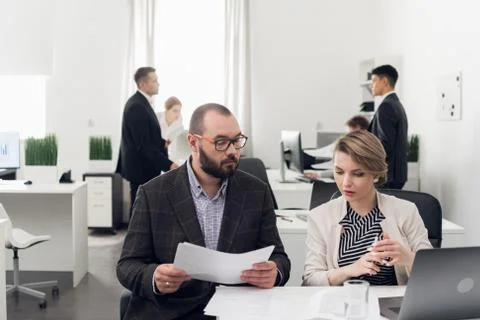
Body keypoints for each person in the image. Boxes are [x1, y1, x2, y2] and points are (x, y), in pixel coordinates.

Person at [116, 103, 291, 320]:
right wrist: (154, 277)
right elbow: (127, 265)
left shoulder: (256, 191)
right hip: (171, 312)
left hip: (236, 310)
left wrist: (275, 272)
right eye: (220, 142)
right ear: (193, 142)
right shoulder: (154, 194)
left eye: (236, 141)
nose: (232, 151)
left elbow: (279, 256)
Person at [303, 131, 431, 286]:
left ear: (376, 175)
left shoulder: (406, 211)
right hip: (341, 305)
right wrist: (350, 270)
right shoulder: (320, 216)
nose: (346, 182)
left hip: (393, 305)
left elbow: (433, 272)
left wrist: (409, 258)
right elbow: (310, 280)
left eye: (358, 174)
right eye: (339, 172)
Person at [116, 67, 178, 212]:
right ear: (143, 84)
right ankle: (135, 235)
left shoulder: (141, 102)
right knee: (139, 210)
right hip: (141, 169)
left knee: (144, 209)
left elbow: (145, 136)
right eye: (154, 81)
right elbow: (144, 145)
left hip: (143, 167)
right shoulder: (137, 105)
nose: (158, 84)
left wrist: (162, 143)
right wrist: (168, 165)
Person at [368, 64, 408, 189]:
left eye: (374, 81)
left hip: (387, 176)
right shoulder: (396, 104)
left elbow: (384, 145)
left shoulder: (386, 106)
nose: (371, 85)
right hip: (396, 174)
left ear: (384, 81)